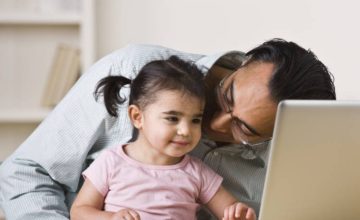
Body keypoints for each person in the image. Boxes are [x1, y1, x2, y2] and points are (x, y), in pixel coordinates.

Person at [0, 38, 336, 220]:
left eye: (244, 130)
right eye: (227, 94)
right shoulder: (134, 70)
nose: (212, 123)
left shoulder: (291, 161)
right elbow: (26, 173)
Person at [70, 56, 256, 220]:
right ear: (137, 117)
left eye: (195, 120)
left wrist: (239, 214)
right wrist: (110, 218)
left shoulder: (197, 172)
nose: (185, 130)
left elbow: (231, 209)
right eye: (172, 118)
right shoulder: (111, 162)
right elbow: (79, 211)